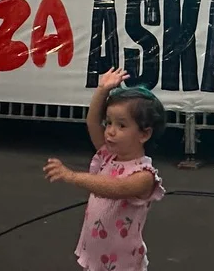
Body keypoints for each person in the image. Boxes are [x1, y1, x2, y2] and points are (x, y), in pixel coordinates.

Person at [44, 68, 165, 271]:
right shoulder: (108, 155)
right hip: (97, 253)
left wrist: (72, 176)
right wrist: (102, 90)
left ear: (144, 134)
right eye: (109, 123)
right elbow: (92, 122)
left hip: (122, 263)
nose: (110, 131)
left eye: (121, 125)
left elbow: (115, 188)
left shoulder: (144, 175)